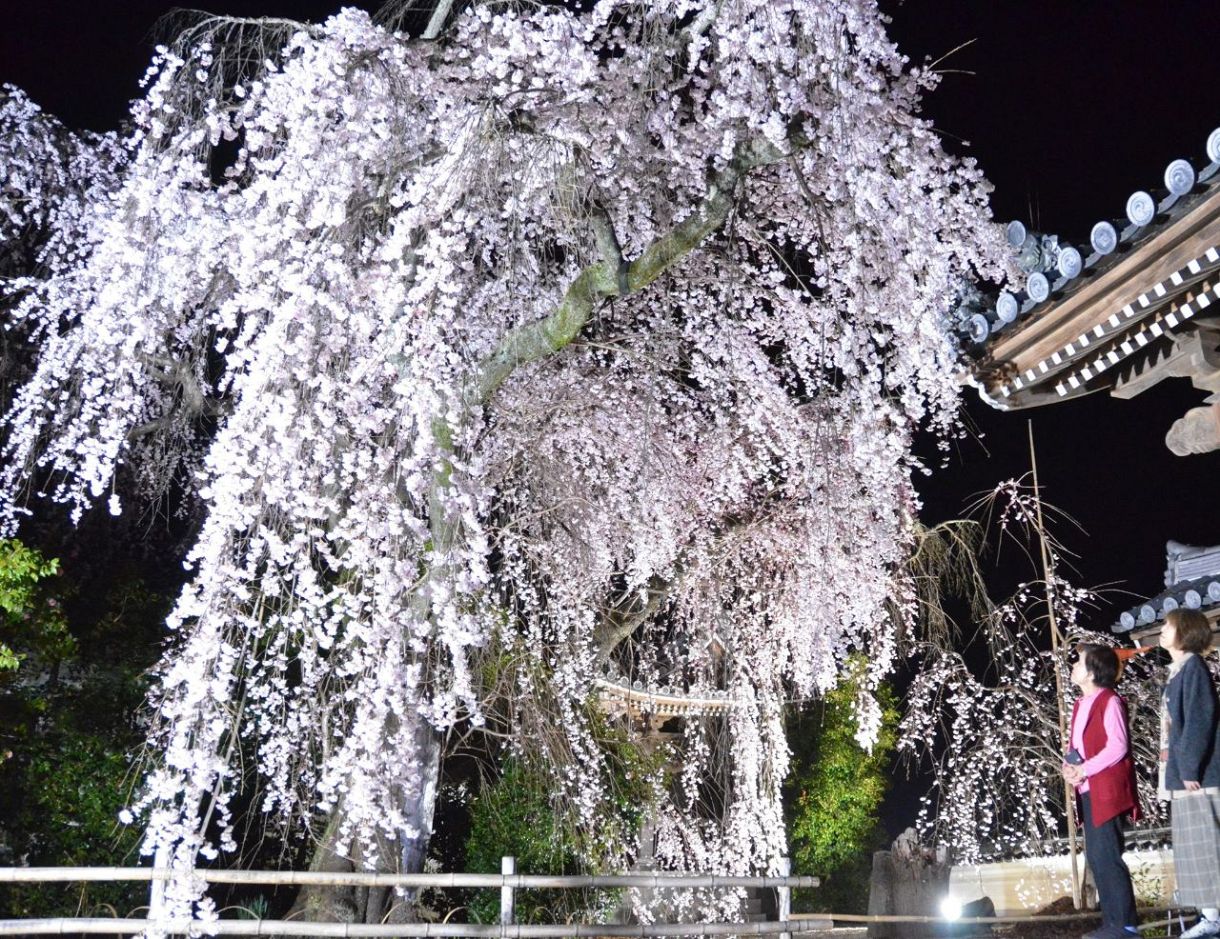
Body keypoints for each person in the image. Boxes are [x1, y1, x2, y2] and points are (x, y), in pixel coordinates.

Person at [1063, 643, 1141, 939]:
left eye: (1079, 662)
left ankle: (1125, 924)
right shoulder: (1081, 704)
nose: (1074, 666)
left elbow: (1118, 746)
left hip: (1105, 788)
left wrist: (1084, 769)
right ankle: (1113, 923)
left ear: (1093, 671)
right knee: (1097, 856)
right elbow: (1079, 749)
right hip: (1088, 788)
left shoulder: (1110, 701)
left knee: (1107, 855)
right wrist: (1070, 767)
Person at [1158, 608, 1220, 939]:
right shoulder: (1179, 670)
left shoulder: (1193, 667)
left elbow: (1200, 717)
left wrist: (1190, 765)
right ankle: (1209, 914)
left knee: (1203, 843)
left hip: (1195, 774)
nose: (1162, 632)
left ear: (1185, 632)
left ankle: (1213, 917)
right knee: (1194, 843)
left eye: (1168, 627)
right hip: (1184, 771)